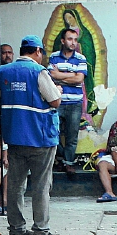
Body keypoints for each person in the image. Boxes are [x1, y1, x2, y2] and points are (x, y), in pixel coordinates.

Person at [0, 34, 60, 235]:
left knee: (15, 185)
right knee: (41, 185)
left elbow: (2, 98)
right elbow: (55, 101)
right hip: (40, 138)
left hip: (14, 138)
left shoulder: (3, 71)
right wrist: (57, 90)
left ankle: (16, 229)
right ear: (37, 52)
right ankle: (41, 231)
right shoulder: (38, 71)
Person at [47, 27, 88, 172]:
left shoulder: (81, 58)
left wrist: (61, 75)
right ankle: (62, 158)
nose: (73, 43)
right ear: (63, 41)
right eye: (70, 39)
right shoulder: (54, 57)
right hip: (57, 101)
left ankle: (68, 162)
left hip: (75, 103)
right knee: (51, 132)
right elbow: (51, 76)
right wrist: (71, 75)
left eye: (75, 40)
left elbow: (80, 79)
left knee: (72, 136)